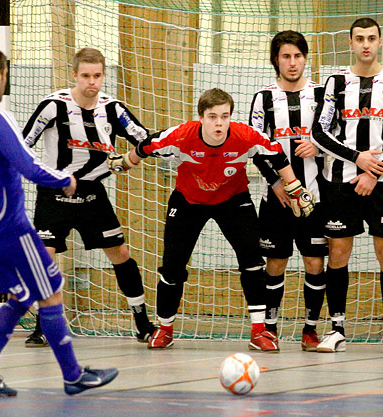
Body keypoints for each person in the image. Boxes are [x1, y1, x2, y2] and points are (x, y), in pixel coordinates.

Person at [109, 88, 315, 353]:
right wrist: (126, 161)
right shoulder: (181, 136)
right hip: (188, 201)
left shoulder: (245, 136)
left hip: (233, 199)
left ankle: (258, 331)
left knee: (253, 261)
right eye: (212, 116)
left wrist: (295, 186)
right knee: (172, 266)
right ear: (201, 117)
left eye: (224, 116)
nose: (219, 123)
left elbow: (277, 155)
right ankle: (165, 329)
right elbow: (146, 145)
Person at [0, 45, 117, 396]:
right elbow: (29, 166)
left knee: (22, 293)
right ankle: (72, 375)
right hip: (9, 228)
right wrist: (66, 181)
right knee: (50, 290)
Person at [22, 47, 156, 347]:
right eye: (85, 76)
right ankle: (45, 326)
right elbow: (23, 143)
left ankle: (143, 323)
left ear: (103, 76)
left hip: (92, 194)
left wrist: (135, 156)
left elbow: (144, 139)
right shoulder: (53, 106)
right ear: (74, 75)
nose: (91, 82)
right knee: (46, 256)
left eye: (97, 76)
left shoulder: (113, 109)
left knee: (120, 253)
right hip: (54, 192)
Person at [312, 18, 383, 353]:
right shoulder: (336, 81)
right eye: (360, 39)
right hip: (340, 182)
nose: (366, 44)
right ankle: (337, 327)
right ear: (350, 43)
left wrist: (374, 170)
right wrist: (358, 159)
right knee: (338, 251)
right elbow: (319, 132)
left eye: (371, 38)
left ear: (381, 41)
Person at [249, 30, 327, 352]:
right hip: (276, 198)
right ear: (276, 60)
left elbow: (336, 140)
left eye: (297, 56)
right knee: (275, 263)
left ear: (305, 58)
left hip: (315, 197)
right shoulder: (263, 98)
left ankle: (310, 329)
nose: (292, 63)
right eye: (285, 56)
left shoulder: (322, 94)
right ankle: (270, 329)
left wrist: (318, 149)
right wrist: (276, 182)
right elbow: (254, 146)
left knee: (314, 264)